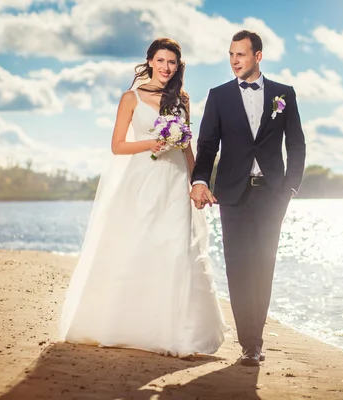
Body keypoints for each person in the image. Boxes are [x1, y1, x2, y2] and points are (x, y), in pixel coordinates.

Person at [59, 38, 227, 358]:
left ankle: (177, 331)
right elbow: (118, 145)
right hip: (143, 180)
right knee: (140, 245)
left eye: (172, 62)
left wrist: (198, 182)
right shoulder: (130, 97)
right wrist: (150, 144)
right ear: (149, 61)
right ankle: (130, 324)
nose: (166, 67)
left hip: (176, 180)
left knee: (178, 247)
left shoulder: (182, 99)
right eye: (160, 60)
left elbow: (187, 146)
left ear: (178, 66)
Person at [190, 30, 306, 366]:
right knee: (239, 267)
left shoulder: (284, 94)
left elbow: (296, 144)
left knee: (263, 266)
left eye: (241, 54)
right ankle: (250, 344)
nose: (235, 61)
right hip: (233, 194)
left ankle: (256, 337)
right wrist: (200, 179)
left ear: (258, 56)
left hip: (272, 195)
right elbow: (208, 143)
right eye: (231, 54)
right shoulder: (219, 96)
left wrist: (291, 188)